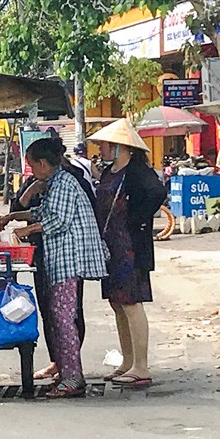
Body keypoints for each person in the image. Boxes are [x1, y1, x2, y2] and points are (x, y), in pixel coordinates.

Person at [12, 138, 108, 398]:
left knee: (64, 320)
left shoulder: (65, 183)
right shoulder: (55, 184)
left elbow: (58, 220)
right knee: (58, 316)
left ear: (43, 163)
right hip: (60, 259)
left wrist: (27, 229)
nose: (31, 172)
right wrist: (14, 217)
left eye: (32, 166)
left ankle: (73, 378)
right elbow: (43, 211)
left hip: (70, 258)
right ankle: (66, 374)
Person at [88, 118, 166, 387]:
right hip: (111, 247)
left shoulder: (136, 172)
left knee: (132, 303)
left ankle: (141, 366)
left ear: (121, 147)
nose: (101, 149)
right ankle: (128, 361)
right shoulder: (110, 173)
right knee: (117, 303)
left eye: (105, 144)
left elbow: (157, 192)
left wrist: (139, 219)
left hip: (130, 246)